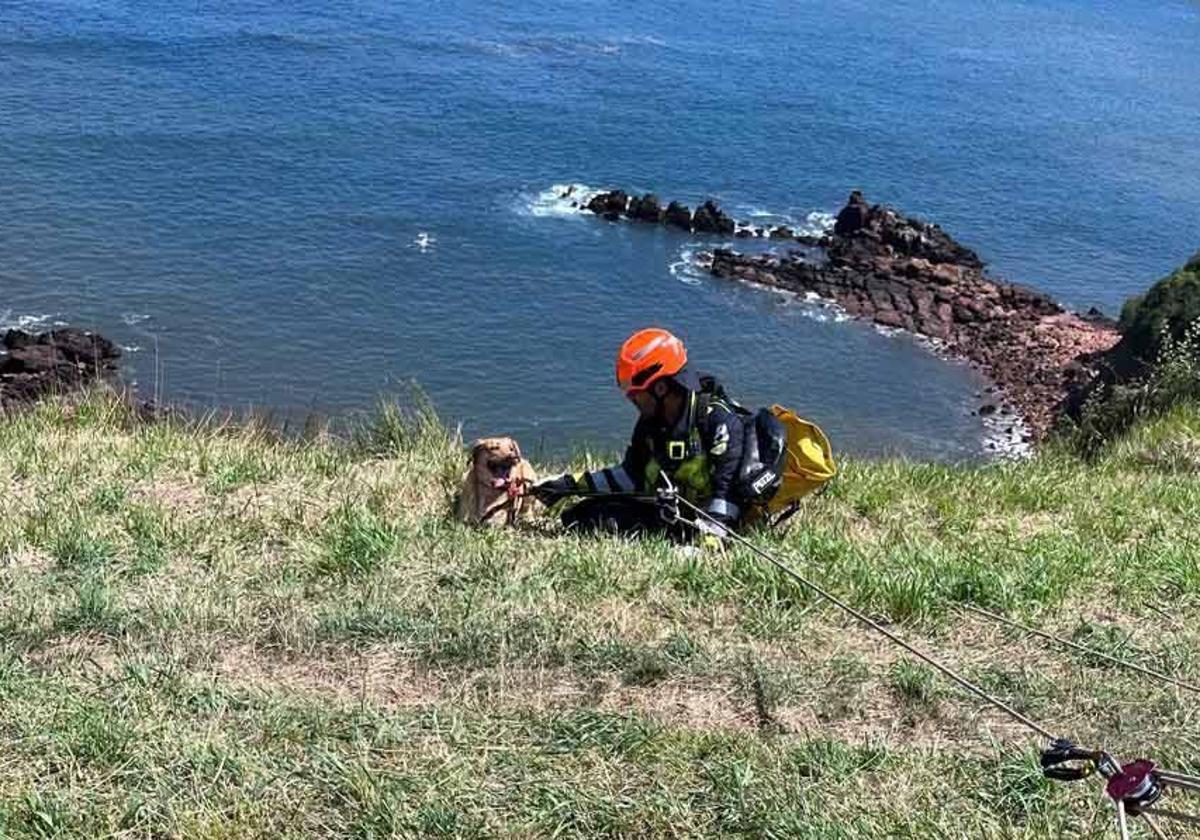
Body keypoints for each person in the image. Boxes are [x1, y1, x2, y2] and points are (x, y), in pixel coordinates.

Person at [532, 328, 747, 543]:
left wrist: (705, 548)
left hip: (719, 522)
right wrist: (567, 486)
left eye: (635, 394)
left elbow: (727, 496)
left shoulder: (719, 421)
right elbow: (630, 476)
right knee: (579, 517)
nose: (631, 400)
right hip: (676, 515)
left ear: (661, 388)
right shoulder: (651, 423)